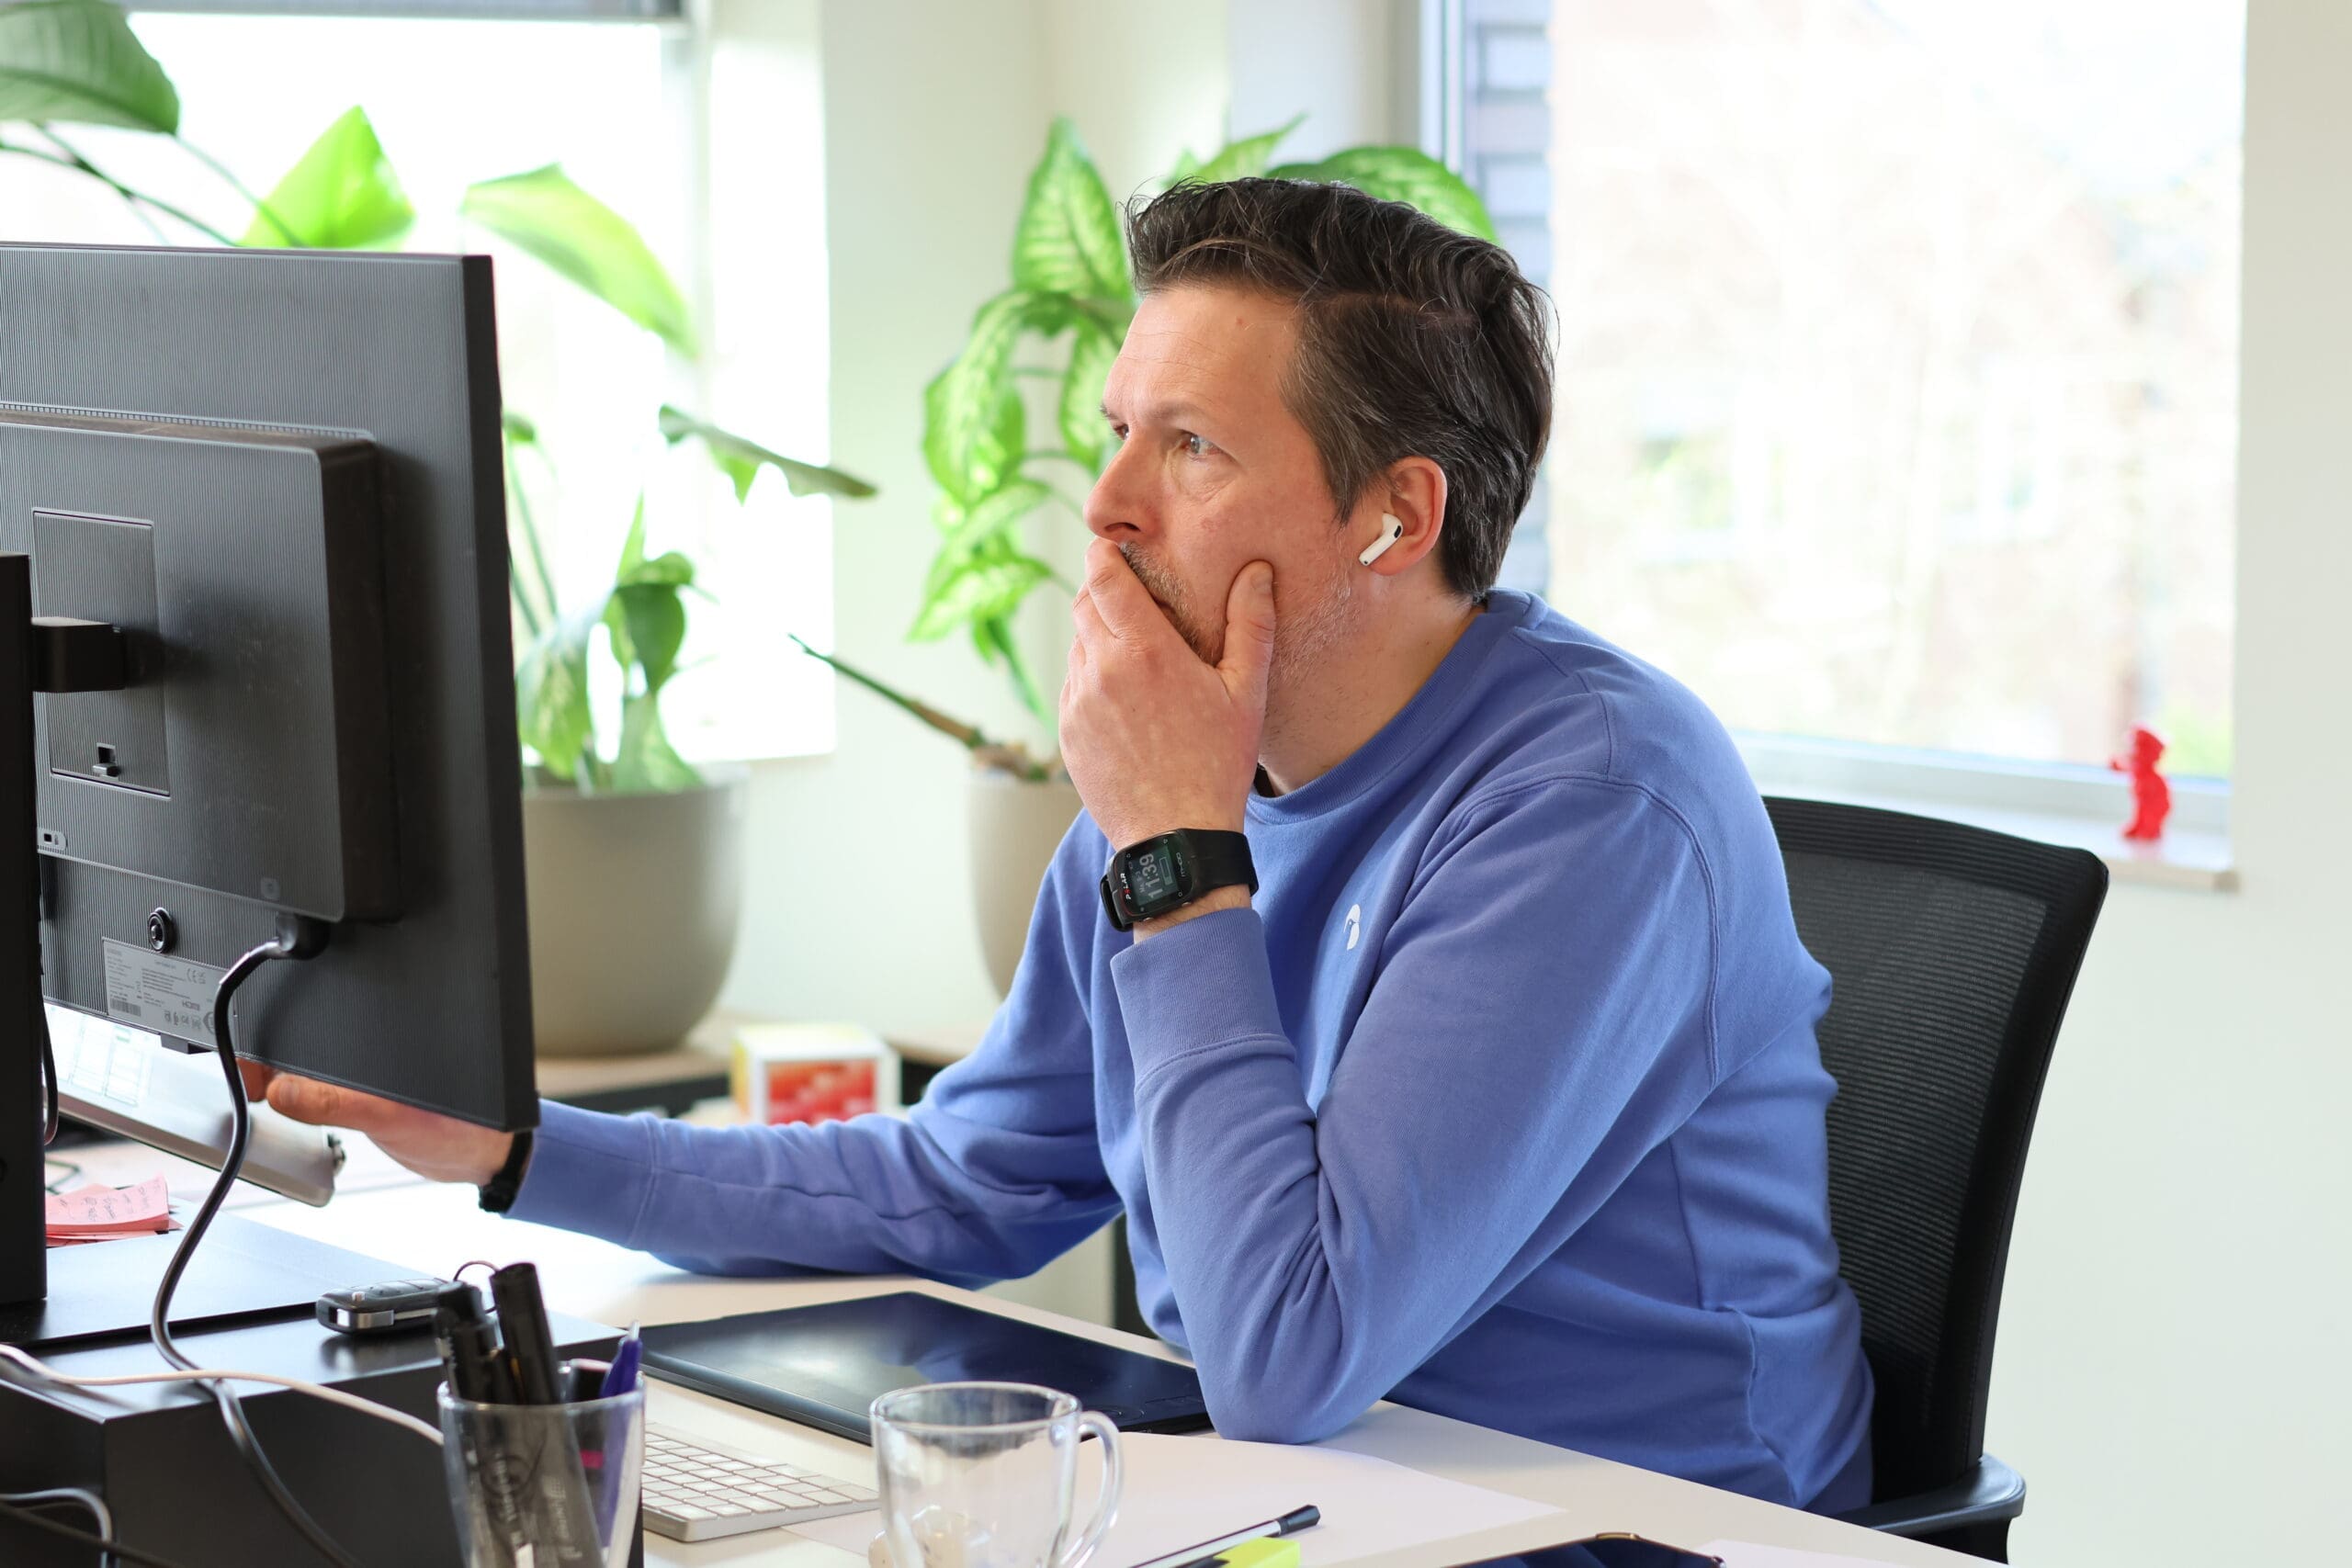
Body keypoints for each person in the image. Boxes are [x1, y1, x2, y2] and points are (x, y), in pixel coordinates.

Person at [249, 178, 1874, 1512]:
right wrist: (516, 1143)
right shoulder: (1187, 760)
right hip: (1335, 1502)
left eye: (1192, 448)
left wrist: (1177, 848)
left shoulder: (1590, 800)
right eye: (1121, 429)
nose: (1103, 504)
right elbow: (971, 1181)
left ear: (1397, 516)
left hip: (1636, 1524)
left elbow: (1290, 1350)